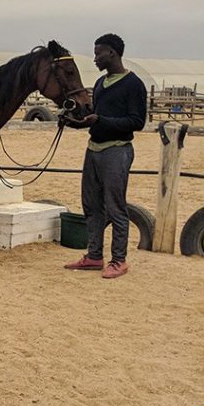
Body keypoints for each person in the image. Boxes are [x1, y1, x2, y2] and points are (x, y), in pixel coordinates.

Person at [64, 33, 147, 279]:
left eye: (98, 53)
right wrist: (74, 123)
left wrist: (101, 120)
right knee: (91, 206)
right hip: (94, 150)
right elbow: (95, 119)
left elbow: (137, 122)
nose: (95, 58)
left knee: (115, 207)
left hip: (117, 151)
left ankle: (119, 260)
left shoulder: (134, 85)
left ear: (112, 52)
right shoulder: (100, 83)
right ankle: (94, 256)